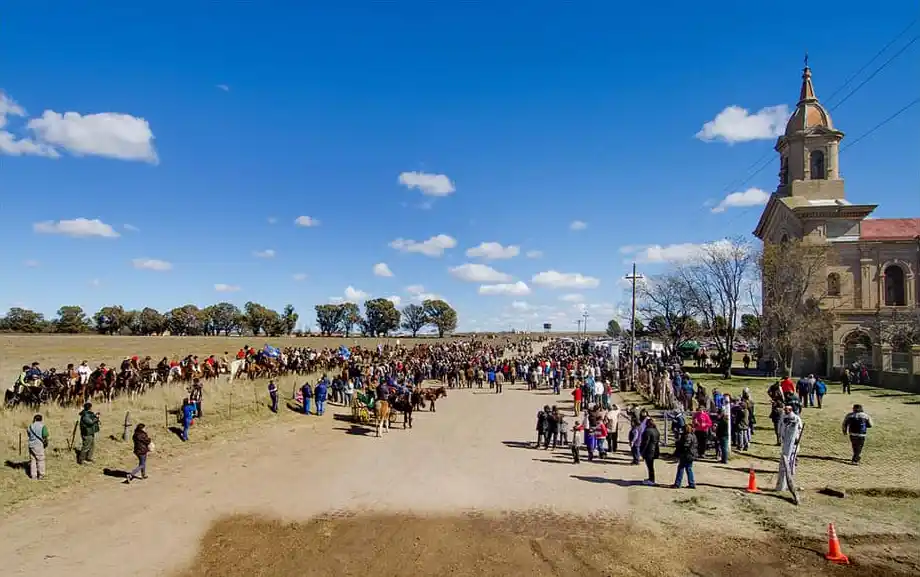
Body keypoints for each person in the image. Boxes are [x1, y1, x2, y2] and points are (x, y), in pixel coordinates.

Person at [775, 404, 803, 504]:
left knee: (790, 461)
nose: (785, 410)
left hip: (793, 443)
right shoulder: (783, 417)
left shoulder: (796, 418)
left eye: (787, 409)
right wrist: (779, 435)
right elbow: (780, 426)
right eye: (785, 409)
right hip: (785, 441)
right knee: (784, 460)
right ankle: (782, 483)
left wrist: (797, 438)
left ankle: (789, 478)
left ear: (791, 410)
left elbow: (799, 429)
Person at [672, 423, 697, 489]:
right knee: (688, 468)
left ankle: (677, 483)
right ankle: (691, 483)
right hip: (691, 454)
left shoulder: (687, 436)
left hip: (686, 454)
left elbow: (686, 446)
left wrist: (679, 446)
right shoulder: (693, 435)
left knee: (681, 468)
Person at [27, 414, 49, 480]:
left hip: (31, 445)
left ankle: (33, 476)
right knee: (40, 460)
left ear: (34, 419)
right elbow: (45, 435)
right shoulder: (43, 426)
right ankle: (41, 475)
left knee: (33, 460)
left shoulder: (30, 426)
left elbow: (28, 434)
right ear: (41, 419)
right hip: (38, 445)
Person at [639, 418, 660, 486]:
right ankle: (651, 479)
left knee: (650, 466)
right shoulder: (656, 430)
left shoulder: (647, 431)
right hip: (655, 450)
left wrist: (642, 451)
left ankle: (651, 480)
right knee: (651, 466)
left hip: (649, 451)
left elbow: (645, 443)